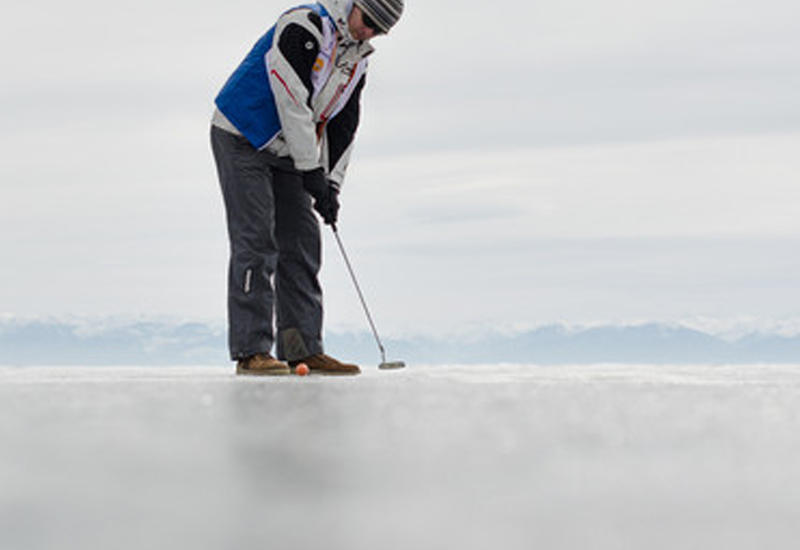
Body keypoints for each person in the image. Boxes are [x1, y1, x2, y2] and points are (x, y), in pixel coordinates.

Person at [210, 0, 403, 376]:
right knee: (257, 240)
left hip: (288, 148)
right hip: (241, 136)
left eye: (379, 31)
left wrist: (330, 185)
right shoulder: (304, 26)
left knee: (301, 242)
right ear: (354, 5)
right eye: (368, 22)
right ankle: (252, 351)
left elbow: (344, 123)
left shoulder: (357, 60)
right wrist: (311, 169)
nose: (369, 33)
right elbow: (291, 100)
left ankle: (302, 349)